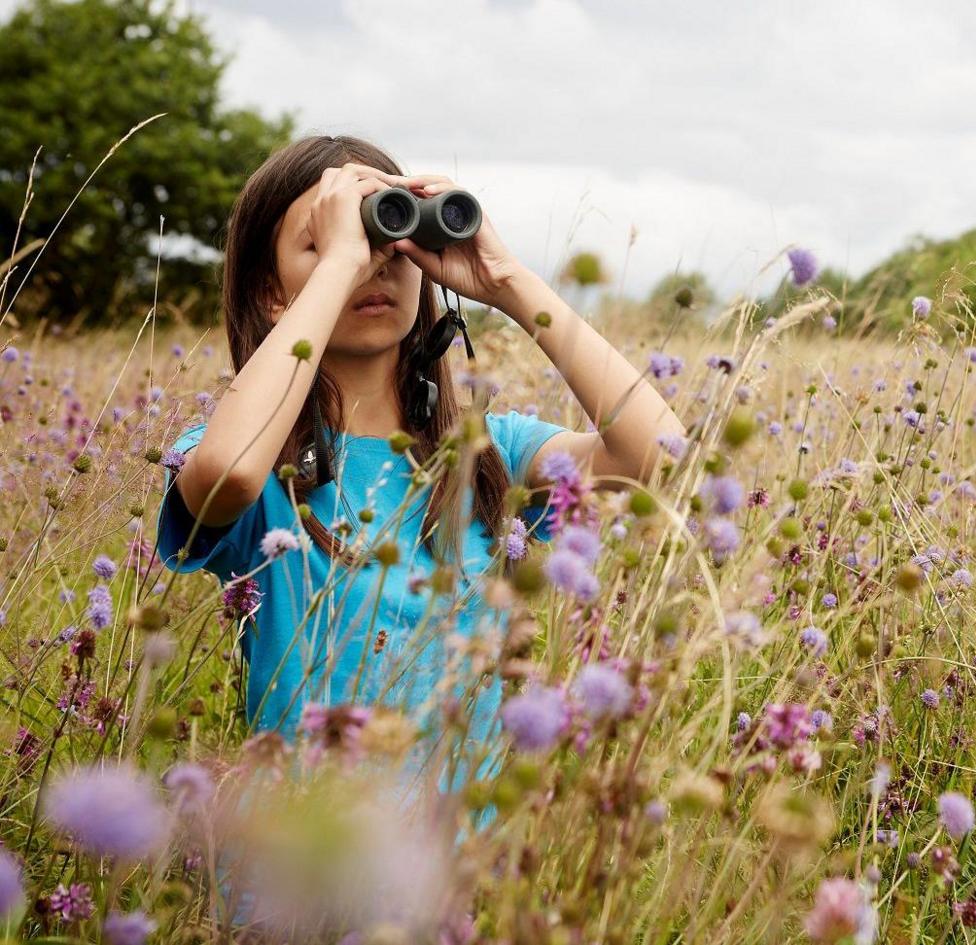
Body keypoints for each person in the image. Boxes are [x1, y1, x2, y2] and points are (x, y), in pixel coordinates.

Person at [153, 134, 684, 791]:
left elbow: (663, 459)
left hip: (457, 877)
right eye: (324, 243)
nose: (373, 264)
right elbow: (228, 473)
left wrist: (507, 282)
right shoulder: (258, 456)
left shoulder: (490, 454)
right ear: (271, 294)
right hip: (301, 871)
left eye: (388, 235)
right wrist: (342, 262)